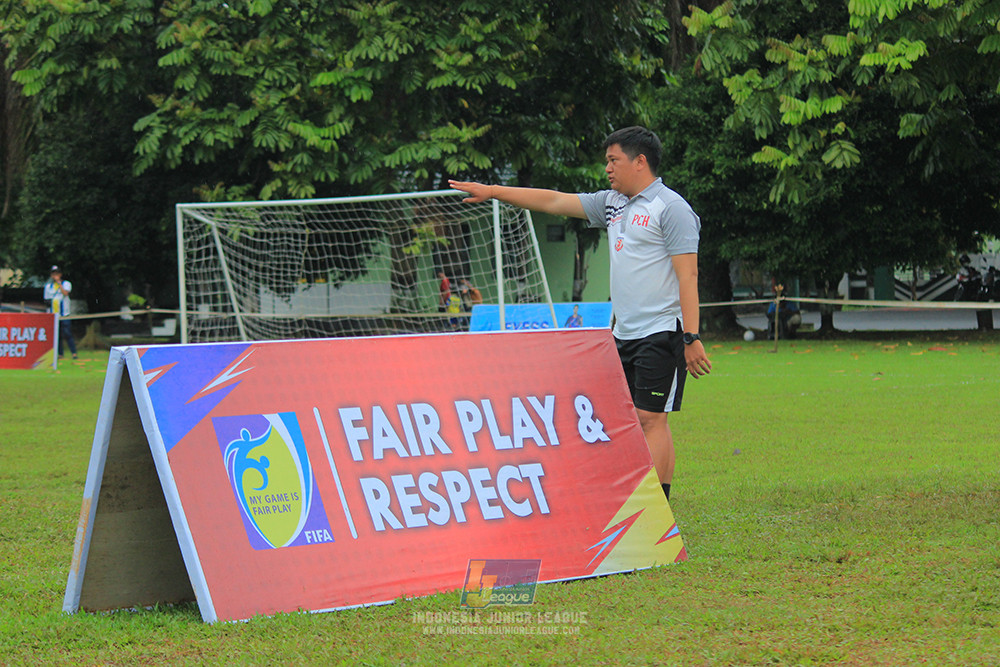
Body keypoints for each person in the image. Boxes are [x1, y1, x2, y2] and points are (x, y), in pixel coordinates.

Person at [449, 126, 711, 502]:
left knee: (651, 419)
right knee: (633, 421)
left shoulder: (671, 209)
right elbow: (554, 201)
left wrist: (691, 336)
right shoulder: (612, 204)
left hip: (662, 332)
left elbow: (689, 274)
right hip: (623, 334)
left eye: (613, 160)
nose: (607, 168)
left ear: (640, 162)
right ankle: (650, 509)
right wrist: (493, 192)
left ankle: (655, 513)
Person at [43, 265, 77, 359]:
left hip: (64, 314)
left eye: (57, 274)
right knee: (56, 335)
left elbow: (65, 293)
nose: (55, 275)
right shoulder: (48, 287)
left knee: (67, 333)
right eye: (53, 274)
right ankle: (60, 354)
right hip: (53, 314)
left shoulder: (66, 284)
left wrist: (59, 283)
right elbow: (46, 300)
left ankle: (74, 353)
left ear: (60, 274)